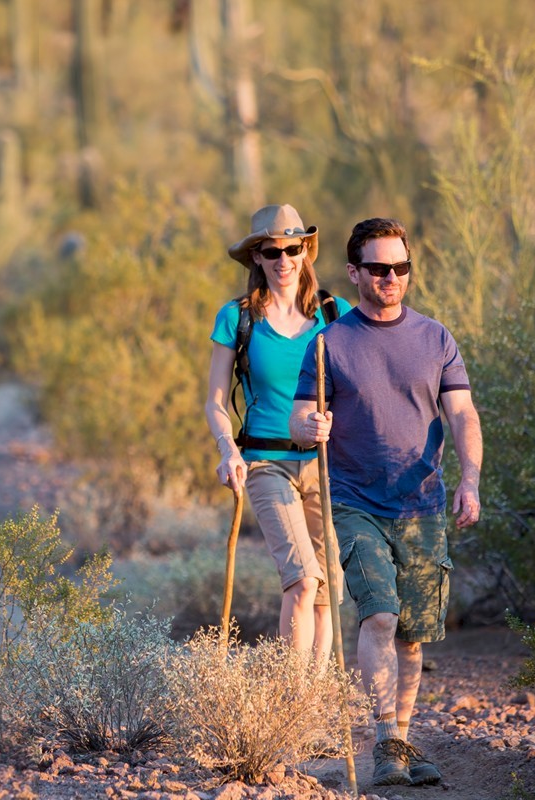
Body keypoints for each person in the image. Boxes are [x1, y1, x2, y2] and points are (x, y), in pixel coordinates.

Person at [291, 217, 483, 787]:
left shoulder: (436, 338)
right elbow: (300, 419)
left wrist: (469, 478)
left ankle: (400, 737)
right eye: (378, 268)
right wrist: (312, 426)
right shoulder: (329, 344)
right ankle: (382, 741)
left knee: (413, 634)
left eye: (400, 267)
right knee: (379, 613)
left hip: (422, 503)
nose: (391, 277)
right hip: (354, 502)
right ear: (354, 273)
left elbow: (463, 413)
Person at [203, 204, 351, 665]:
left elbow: (359, 388)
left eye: (292, 248)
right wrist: (228, 450)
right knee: (303, 579)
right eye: (271, 251)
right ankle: (292, 697)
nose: (283, 260)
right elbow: (214, 402)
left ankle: (315, 701)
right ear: (257, 258)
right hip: (266, 464)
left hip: (327, 466)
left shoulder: (336, 314)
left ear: (305, 251)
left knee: (328, 588)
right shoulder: (238, 318)